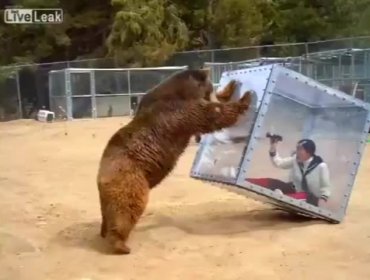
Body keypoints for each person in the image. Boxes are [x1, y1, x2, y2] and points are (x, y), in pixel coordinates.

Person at [266, 137, 331, 207]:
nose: (297, 152)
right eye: (297, 149)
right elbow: (279, 163)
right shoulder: (295, 160)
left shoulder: (321, 166)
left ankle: (283, 199)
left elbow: (326, 187)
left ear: (308, 152)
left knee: (299, 196)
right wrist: (273, 146)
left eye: (300, 149)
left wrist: (323, 199)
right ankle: (283, 198)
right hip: (296, 192)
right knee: (274, 184)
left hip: (311, 198)